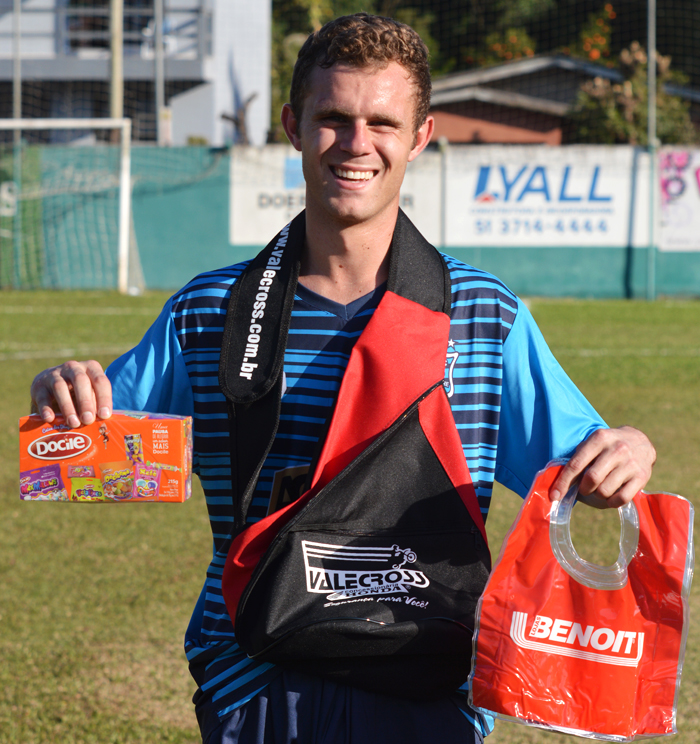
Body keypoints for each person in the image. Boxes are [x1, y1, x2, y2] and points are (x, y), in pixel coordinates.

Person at [30, 13, 656, 744]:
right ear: (294, 126)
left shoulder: (485, 316)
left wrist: (628, 451)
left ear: (420, 137)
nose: (357, 144)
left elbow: (588, 467)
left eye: (382, 123)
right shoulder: (208, 313)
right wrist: (58, 398)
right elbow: (79, 462)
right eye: (334, 118)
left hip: (428, 687)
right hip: (256, 684)